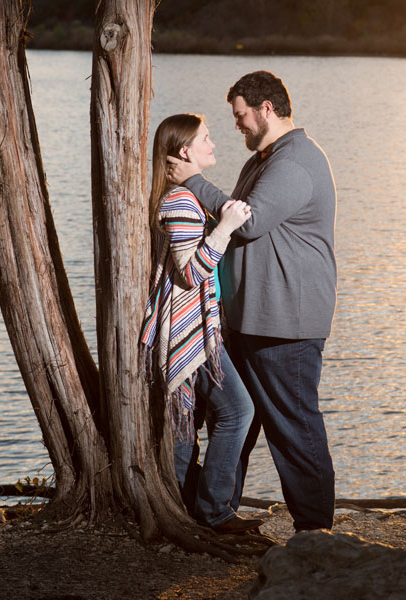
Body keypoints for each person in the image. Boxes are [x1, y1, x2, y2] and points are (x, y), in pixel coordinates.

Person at [167, 71, 338, 532]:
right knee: (232, 420)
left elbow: (247, 223)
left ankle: (315, 533)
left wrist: (194, 181)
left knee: (295, 430)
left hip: (286, 324)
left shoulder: (296, 161)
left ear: (266, 109)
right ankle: (214, 514)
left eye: (240, 115)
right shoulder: (264, 158)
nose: (236, 125)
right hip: (247, 319)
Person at [140, 113, 263, 535]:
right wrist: (226, 228)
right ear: (186, 151)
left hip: (198, 330)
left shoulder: (182, 198)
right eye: (205, 138)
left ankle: (190, 508)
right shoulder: (179, 203)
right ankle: (209, 512)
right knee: (236, 410)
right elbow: (190, 274)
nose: (214, 143)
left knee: (186, 426)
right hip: (186, 331)